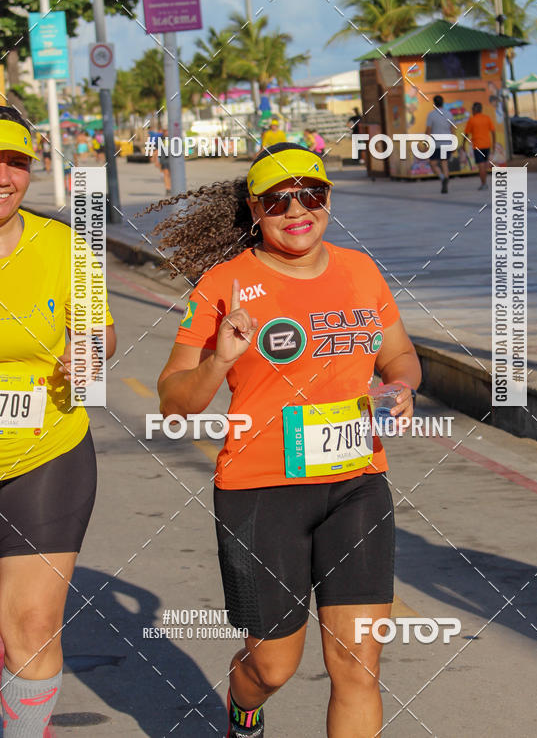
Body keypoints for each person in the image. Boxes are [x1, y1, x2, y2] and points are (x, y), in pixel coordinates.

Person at [156, 142, 421, 738]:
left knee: (358, 665)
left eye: (312, 194)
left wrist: (401, 386)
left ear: (328, 199)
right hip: (261, 491)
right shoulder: (225, 283)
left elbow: (399, 352)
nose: (296, 210)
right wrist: (218, 361)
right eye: (278, 200)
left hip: (356, 484)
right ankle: (244, 705)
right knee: (273, 668)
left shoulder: (360, 270)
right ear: (255, 209)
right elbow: (174, 401)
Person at [0, 106, 116, 736]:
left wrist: (90, 352)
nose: (2, 175)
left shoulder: (68, 247)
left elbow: (101, 332)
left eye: (15, 161)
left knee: (32, 625)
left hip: (46, 453)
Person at [425, 94, 455, 194]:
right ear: (443, 102)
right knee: (444, 162)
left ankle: (442, 178)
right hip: (447, 142)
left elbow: (428, 131)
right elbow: (452, 130)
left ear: (434, 103)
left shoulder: (431, 114)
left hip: (436, 143)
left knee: (433, 163)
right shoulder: (449, 114)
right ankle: (445, 178)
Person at [463, 102, 496, 189]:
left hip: (478, 146)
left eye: (472, 109)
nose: (471, 111)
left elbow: (466, 134)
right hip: (487, 145)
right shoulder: (487, 118)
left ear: (474, 110)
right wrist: (494, 144)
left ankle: (484, 184)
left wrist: (463, 144)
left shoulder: (472, 120)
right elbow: (493, 131)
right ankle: (485, 182)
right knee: (484, 165)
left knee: (481, 166)